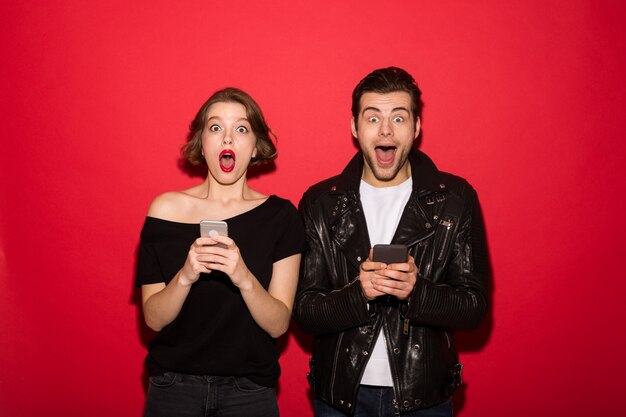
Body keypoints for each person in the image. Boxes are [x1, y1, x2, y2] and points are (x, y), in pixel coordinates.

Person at [293, 67, 489, 417]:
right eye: (373, 118)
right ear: (355, 127)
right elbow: (305, 312)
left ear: (415, 128)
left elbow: (474, 307)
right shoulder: (320, 202)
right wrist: (359, 292)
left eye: (398, 118)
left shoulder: (456, 199)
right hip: (340, 398)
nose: (385, 130)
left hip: (424, 397)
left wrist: (417, 290)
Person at [136, 87, 305, 417]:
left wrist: (243, 277)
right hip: (173, 390)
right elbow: (154, 318)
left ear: (255, 146)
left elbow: (278, 324)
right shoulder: (165, 209)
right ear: (202, 142)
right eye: (215, 128)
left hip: (249, 393)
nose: (228, 138)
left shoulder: (282, 217)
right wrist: (185, 275)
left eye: (241, 129)